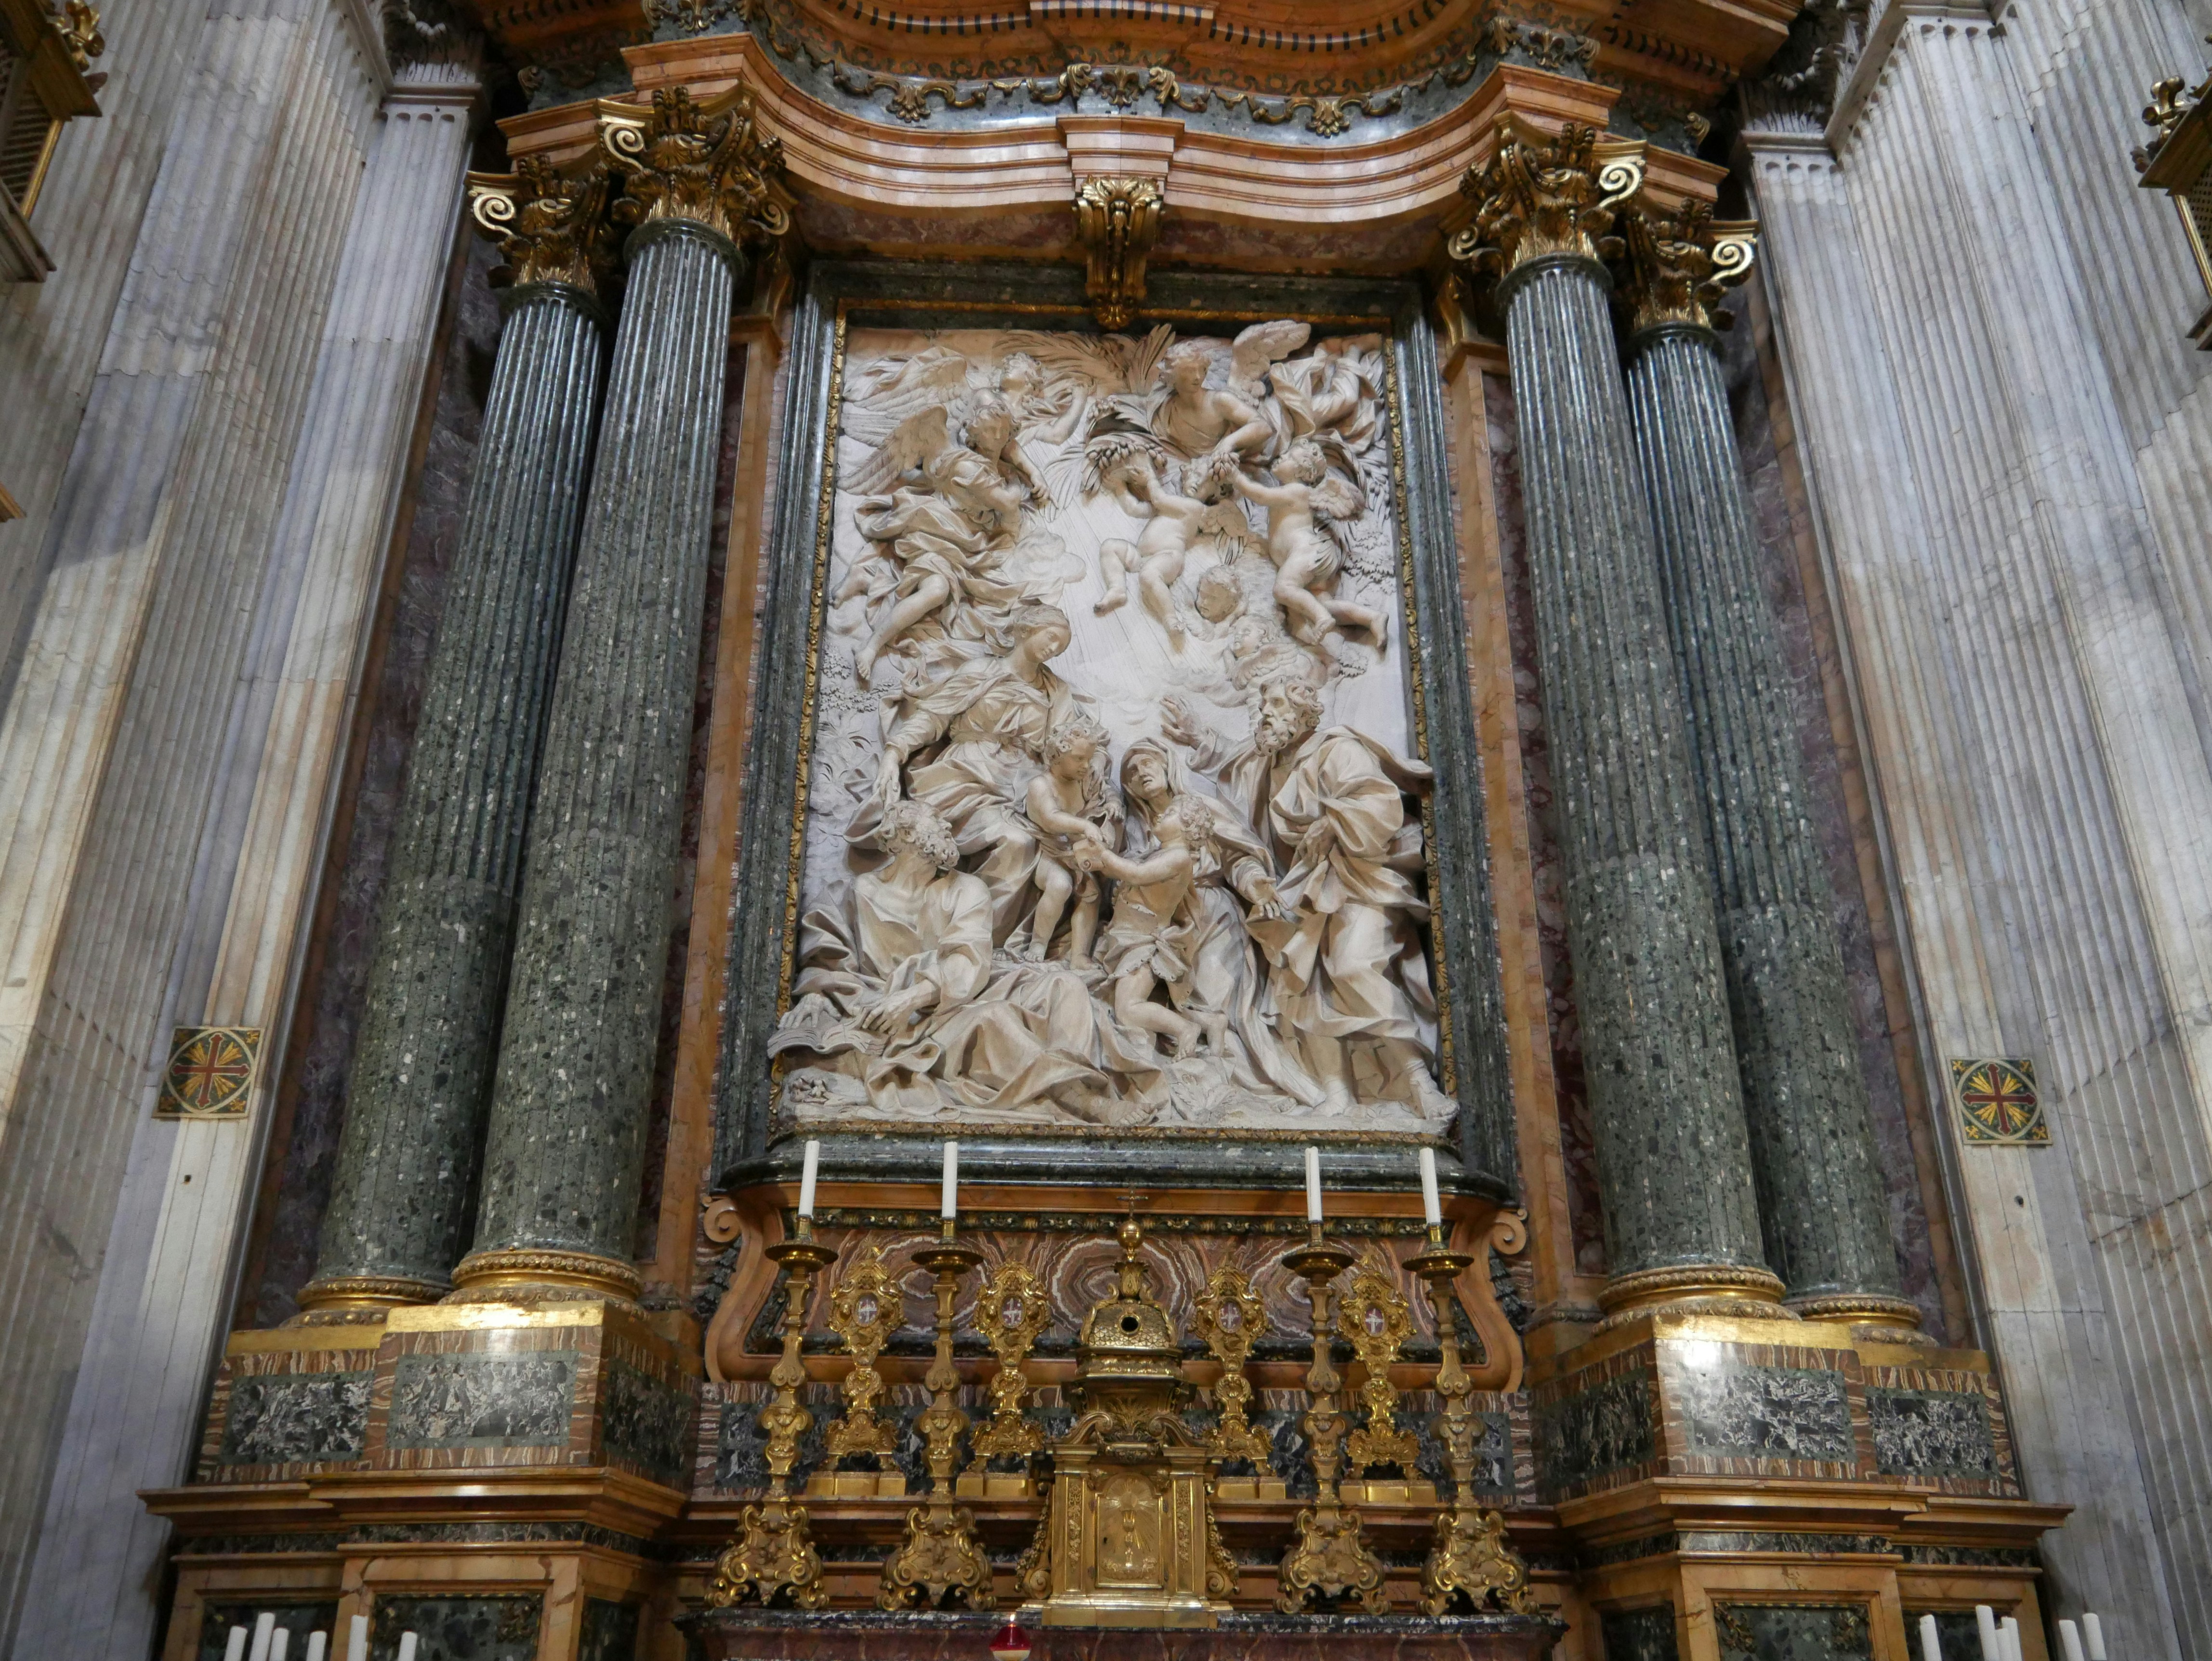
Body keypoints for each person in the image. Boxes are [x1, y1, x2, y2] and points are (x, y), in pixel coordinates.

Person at [1163, 674, 1446, 1119]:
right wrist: (1256, 883)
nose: (1266, 711)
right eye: (1264, 703)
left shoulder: (1338, 749)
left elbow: (1379, 804)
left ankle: (1418, 1081)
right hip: (1298, 892)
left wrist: (1333, 821)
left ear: (1303, 712)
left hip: (1356, 880)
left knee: (1353, 966)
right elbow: (1240, 845)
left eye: (1277, 703)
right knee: (1298, 982)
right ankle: (1336, 1093)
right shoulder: (1259, 768)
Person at [1075, 794, 1228, 1060]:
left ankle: (1186, 1029)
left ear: (1188, 827)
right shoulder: (1159, 853)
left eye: (1170, 814)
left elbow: (1137, 875)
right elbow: (1126, 872)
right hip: (1125, 937)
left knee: (1128, 1008)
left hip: (1142, 943)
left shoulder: (1179, 858)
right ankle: (1210, 1022)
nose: (1160, 815)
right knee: (1131, 1001)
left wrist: (1105, 856)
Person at [1231, 440, 1384, 648]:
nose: (1280, 457)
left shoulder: (1296, 491)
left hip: (1306, 552)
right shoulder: (1292, 492)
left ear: (1301, 470)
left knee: (1284, 589)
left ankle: (1321, 617)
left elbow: (1260, 495)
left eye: (1287, 457)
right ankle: (1370, 618)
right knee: (1319, 603)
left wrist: (1236, 476)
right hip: (1303, 559)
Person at [1020, 714, 1114, 969]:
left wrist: (1114, 805)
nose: (1085, 765)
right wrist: (1084, 825)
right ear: (1056, 756)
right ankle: (1039, 942)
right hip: (1047, 852)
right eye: (1078, 759)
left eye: (1089, 758)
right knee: (1060, 886)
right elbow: (1051, 819)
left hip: (1077, 852)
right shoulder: (1041, 785)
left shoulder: (1085, 778)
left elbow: (1106, 792)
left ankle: (1079, 956)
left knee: (1091, 895)